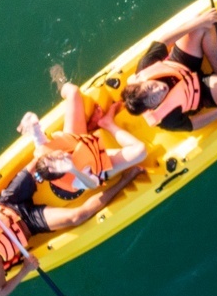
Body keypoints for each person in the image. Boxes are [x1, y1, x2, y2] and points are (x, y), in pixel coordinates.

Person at [0, 170, 131, 296]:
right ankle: (125, 179)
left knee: (34, 166)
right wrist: (25, 270)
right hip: (29, 223)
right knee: (77, 216)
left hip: (8, 202)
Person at [88, 8, 217, 135]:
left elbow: (164, 40)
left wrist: (199, 22)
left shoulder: (144, 67)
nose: (158, 89)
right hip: (200, 91)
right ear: (152, 107)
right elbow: (192, 124)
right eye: (154, 98)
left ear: (142, 82)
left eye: (149, 87)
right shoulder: (166, 119)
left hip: (182, 64)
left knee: (203, 24)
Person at [20, 64, 149, 200]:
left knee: (73, 92)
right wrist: (73, 169)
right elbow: (92, 184)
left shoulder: (43, 151)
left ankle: (56, 76)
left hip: (76, 140)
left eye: (55, 155)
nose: (62, 155)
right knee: (140, 151)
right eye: (62, 160)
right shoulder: (74, 179)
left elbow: (37, 134)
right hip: (96, 163)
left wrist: (32, 122)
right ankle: (107, 123)